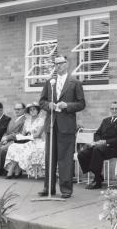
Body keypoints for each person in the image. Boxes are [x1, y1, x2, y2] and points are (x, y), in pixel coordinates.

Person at [39, 55, 85, 198]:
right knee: (49, 158)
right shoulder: (49, 82)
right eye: (56, 64)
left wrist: (68, 106)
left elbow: (81, 104)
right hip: (51, 125)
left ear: (67, 64)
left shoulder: (75, 83)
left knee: (65, 159)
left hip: (67, 126)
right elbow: (42, 101)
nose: (58, 66)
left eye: (61, 63)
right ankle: (48, 188)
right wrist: (49, 105)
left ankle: (65, 190)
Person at [78, 101, 117, 189]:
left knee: (97, 150)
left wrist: (105, 142)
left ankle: (97, 181)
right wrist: (99, 141)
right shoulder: (106, 120)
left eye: (116, 108)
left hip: (114, 148)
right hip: (101, 146)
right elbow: (97, 133)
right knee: (82, 154)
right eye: (112, 109)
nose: (114, 110)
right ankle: (97, 174)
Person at [4, 102, 45, 179]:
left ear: (38, 111)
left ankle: (12, 170)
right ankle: (15, 170)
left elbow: (38, 134)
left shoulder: (41, 120)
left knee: (22, 148)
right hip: (27, 141)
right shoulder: (27, 121)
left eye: (34, 109)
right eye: (30, 110)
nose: (32, 111)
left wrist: (27, 137)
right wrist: (21, 137)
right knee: (13, 146)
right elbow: (23, 133)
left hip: (36, 142)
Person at [0, 103, 26, 176]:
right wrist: (4, 137)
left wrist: (7, 137)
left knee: (3, 149)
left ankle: (0, 169)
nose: (16, 111)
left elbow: (20, 134)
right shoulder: (12, 119)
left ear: (24, 110)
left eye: (19, 109)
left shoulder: (25, 120)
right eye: (15, 109)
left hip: (16, 141)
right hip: (7, 140)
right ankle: (2, 168)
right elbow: (6, 131)